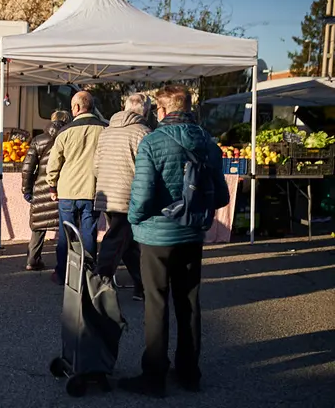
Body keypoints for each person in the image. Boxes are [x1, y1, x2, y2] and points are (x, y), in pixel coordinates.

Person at [119, 86, 229, 397]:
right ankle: (189, 373)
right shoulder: (208, 143)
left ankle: (154, 376)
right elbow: (221, 195)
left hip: (157, 235)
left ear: (163, 110)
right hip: (192, 233)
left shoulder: (152, 142)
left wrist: (133, 220)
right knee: (189, 302)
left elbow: (141, 197)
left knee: (156, 303)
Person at [93, 93, 152, 301]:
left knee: (127, 242)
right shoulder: (143, 133)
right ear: (145, 111)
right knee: (117, 239)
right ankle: (100, 279)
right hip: (130, 195)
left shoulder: (106, 132)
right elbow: (146, 170)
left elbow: (96, 166)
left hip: (107, 194)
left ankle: (142, 286)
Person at [46, 91, 106, 284]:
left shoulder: (65, 131)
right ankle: (88, 272)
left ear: (77, 108)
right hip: (93, 190)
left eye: (72, 107)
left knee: (66, 233)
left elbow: (54, 162)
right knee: (89, 232)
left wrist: (52, 185)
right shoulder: (105, 129)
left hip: (67, 190)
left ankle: (63, 272)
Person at [21, 110, 69, 271]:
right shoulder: (68, 138)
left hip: (40, 189)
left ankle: (32, 260)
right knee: (66, 228)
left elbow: (28, 168)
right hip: (61, 189)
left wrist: (26, 190)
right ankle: (66, 264)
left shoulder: (38, 140)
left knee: (38, 227)